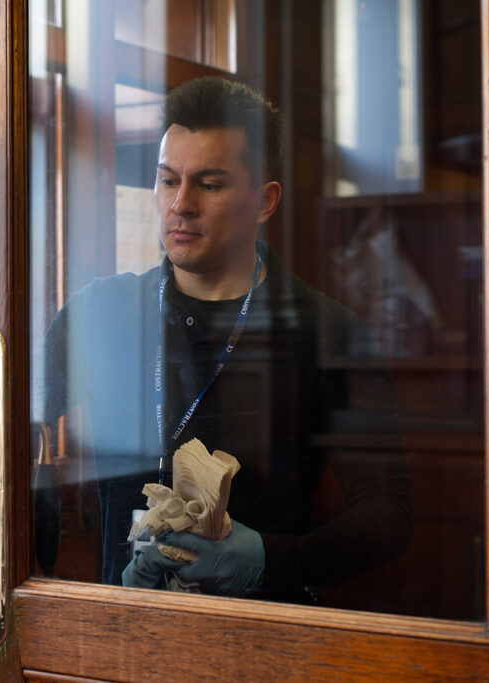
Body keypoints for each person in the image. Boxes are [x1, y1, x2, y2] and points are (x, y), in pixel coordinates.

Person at [40, 77, 411, 604]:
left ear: (264, 201)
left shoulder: (327, 330)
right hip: (124, 624)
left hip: (262, 629)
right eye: (168, 181)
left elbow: (388, 511)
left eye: (209, 185)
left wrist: (267, 560)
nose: (181, 205)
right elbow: (6, 430)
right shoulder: (102, 311)